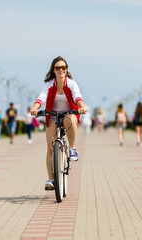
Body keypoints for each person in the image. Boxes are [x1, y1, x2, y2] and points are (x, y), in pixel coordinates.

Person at [30, 56, 86, 190]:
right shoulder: (49, 84)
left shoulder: (71, 83)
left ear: (66, 70)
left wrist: (81, 107)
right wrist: (35, 108)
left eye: (63, 67)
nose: (61, 70)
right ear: (53, 70)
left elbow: (77, 96)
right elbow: (41, 97)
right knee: (50, 148)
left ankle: (72, 149)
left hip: (68, 113)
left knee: (70, 119)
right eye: (58, 68)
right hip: (53, 115)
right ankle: (51, 180)